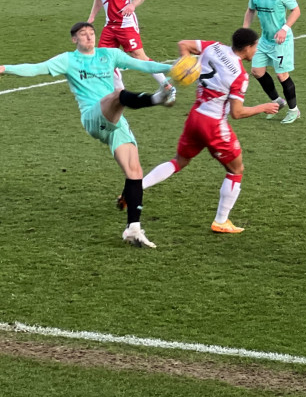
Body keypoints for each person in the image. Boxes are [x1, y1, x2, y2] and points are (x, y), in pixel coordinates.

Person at [0, 22, 175, 248]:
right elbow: (35, 68)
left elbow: (142, 64)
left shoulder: (109, 54)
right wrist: (4, 68)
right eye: (83, 34)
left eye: (92, 33)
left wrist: (175, 68)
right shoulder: (68, 60)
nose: (89, 37)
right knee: (117, 95)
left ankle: (133, 228)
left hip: (115, 120)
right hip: (93, 116)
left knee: (135, 173)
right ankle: (156, 99)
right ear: (74, 39)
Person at [139, 29, 280, 233]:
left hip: (195, 115)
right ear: (248, 47)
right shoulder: (239, 75)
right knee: (236, 170)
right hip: (213, 124)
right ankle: (221, 221)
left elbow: (183, 44)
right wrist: (263, 107)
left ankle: (136, 188)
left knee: (179, 161)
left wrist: (188, 65)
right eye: (255, 46)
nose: (255, 50)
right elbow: (237, 113)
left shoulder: (213, 47)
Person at [87, 0, 172, 90]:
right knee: (103, 59)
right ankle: (120, 94)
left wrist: (132, 5)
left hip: (126, 24)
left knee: (139, 57)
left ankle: (167, 87)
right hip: (110, 25)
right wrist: (92, 17)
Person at [242, 0, 302, 123]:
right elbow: (250, 10)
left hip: (281, 41)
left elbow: (296, 10)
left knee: (281, 74)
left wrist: (285, 29)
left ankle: (293, 110)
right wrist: (245, 30)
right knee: (257, 71)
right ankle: (277, 101)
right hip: (265, 40)